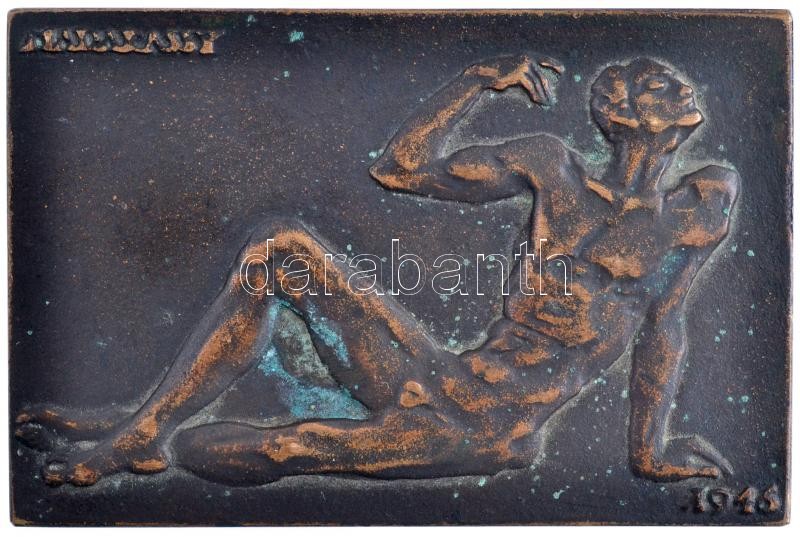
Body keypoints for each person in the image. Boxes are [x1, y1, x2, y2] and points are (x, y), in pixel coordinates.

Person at [17, 55, 738, 487]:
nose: (678, 94)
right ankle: (145, 425)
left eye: (674, 90)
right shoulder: (551, 165)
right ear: (617, 114)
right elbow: (401, 169)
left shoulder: (698, 208)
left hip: (492, 430)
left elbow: (665, 326)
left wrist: (649, 454)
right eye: (657, 88)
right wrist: (474, 82)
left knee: (269, 447)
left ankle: (167, 435)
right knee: (281, 250)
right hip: (443, 376)